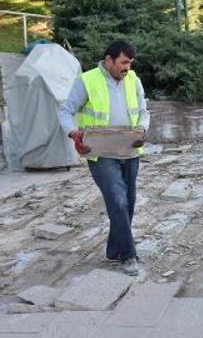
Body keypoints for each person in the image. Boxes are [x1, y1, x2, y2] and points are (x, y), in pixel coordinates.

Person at [58, 40, 149, 276]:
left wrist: (143, 130)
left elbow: (142, 111)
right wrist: (73, 132)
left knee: (127, 202)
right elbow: (65, 110)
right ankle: (129, 255)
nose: (127, 67)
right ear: (108, 60)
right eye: (123, 62)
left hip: (130, 150)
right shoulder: (88, 80)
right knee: (117, 200)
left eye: (130, 63)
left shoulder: (133, 80)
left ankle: (113, 250)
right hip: (100, 153)